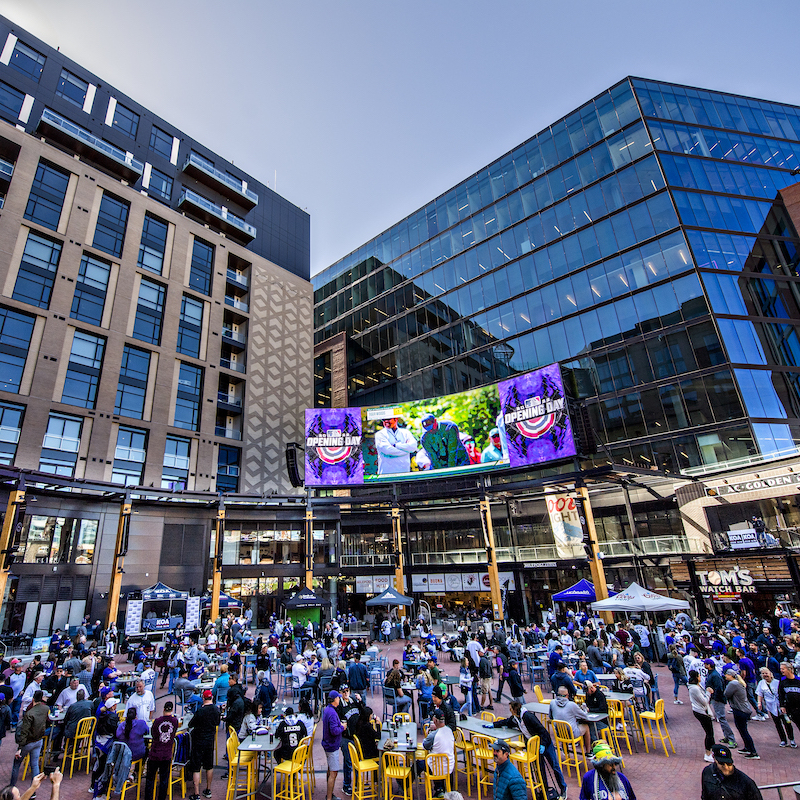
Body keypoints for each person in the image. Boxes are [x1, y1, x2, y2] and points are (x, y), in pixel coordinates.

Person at [491, 701, 567, 799]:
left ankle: (563, 788)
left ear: (515, 710)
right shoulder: (515, 719)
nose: (510, 711)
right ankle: (544, 792)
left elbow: (543, 731)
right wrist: (493, 724)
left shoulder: (528, 717)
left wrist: (543, 745)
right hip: (534, 747)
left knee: (554, 766)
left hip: (545, 744)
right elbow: (506, 722)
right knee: (540, 769)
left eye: (511, 709)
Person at [188, 689, 221, 800]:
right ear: (211, 698)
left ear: (203, 698)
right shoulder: (216, 710)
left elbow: (191, 724)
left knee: (196, 767)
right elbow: (217, 723)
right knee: (209, 766)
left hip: (198, 741)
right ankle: (208, 789)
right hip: (209, 741)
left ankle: (196, 793)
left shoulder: (200, 711)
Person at [10, 690, 48, 785]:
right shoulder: (45, 709)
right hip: (38, 740)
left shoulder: (29, 714)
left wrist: (20, 748)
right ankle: (33, 790)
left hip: (28, 742)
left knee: (17, 764)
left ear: (33, 699)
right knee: (34, 765)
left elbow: (24, 732)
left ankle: (12, 787)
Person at [145, 701, 180, 800]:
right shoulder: (175, 721)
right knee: (164, 780)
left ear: (163, 709)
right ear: (172, 710)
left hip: (155, 753)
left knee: (150, 779)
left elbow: (153, 734)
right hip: (166, 754)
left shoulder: (157, 721)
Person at [419, 708, 455, 797]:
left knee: (420, 764)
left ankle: (404, 785)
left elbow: (425, 746)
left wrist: (428, 732)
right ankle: (440, 789)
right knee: (438, 761)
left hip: (436, 768)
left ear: (435, 720)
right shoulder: (449, 730)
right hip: (449, 767)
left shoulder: (433, 735)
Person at [724, 671, 759, 760]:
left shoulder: (733, 683)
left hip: (740, 710)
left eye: (727, 675)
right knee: (742, 729)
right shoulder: (738, 683)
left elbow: (726, 694)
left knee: (744, 731)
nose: (725, 676)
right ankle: (747, 748)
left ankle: (753, 751)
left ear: (731, 676)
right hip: (743, 709)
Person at [549, 686, 590, 753]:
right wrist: (585, 710)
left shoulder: (552, 703)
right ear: (567, 695)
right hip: (571, 734)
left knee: (562, 725)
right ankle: (588, 752)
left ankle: (565, 750)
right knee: (586, 727)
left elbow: (551, 717)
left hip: (559, 733)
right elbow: (585, 716)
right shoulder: (571, 705)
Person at [322, 691, 346, 800]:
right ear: (334, 699)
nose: (339, 699)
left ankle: (330, 795)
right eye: (338, 698)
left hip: (328, 744)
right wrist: (342, 727)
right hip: (332, 746)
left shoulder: (327, 710)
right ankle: (329, 798)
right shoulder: (331, 713)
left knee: (330, 770)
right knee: (333, 773)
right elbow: (334, 731)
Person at [688, 670, 716, 763]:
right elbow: (704, 701)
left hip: (701, 710)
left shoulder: (696, 686)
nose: (700, 677)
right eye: (699, 676)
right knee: (709, 733)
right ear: (696, 677)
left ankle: (710, 752)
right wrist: (708, 693)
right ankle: (708, 754)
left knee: (710, 733)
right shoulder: (695, 688)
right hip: (701, 711)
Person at [779, 660, 800, 731]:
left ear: (790, 669)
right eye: (780, 669)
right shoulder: (782, 681)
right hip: (791, 708)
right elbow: (781, 694)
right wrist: (782, 705)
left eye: (783, 669)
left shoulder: (798, 680)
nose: (781, 670)